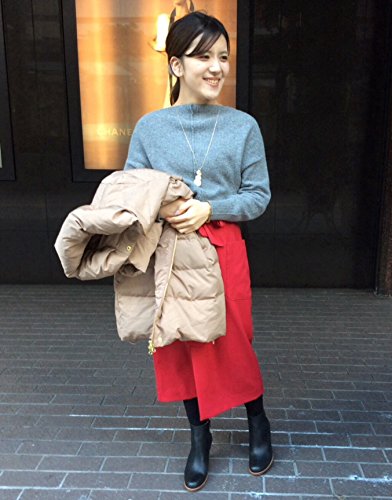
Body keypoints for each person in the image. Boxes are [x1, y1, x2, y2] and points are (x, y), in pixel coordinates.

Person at [124, 11, 272, 492]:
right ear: (176, 65)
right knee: (181, 343)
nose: (216, 67)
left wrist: (211, 208)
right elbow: (131, 190)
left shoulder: (243, 126)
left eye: (223, 57)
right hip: (171, 253)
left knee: (234, 340)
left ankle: (257, 419)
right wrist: (164, 209)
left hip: (224, 246)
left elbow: (258, 196)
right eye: (203, 56)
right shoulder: (150, 128)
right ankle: (199, 436)